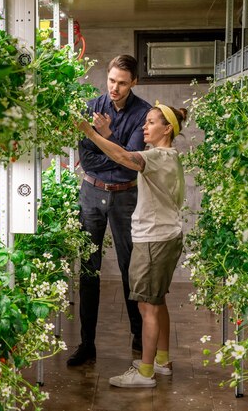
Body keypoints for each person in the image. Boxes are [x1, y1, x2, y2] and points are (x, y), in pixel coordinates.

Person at [78, 103, 186, 388]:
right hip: (164, 235)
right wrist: (107, 135)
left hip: (153, 240)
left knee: (146, 306)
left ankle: (146, 372)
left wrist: (89, 132)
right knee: (157, 300)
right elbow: (123, 155)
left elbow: (124, 157)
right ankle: (161, 359)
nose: (144, 127)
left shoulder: (158, 157)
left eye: (151, 123)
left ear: (167, 129)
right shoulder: (167, 156)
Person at [67, 55, 150, 367]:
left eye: (123, 83)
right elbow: (88, 160)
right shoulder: (90, 108)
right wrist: (116, 151)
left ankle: (139, 337)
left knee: (132, 268)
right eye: (112, 80)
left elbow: (131, 164)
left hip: (125, 196)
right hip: (91, 193)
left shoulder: (143, 113)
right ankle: (87, 344)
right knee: (89, 269)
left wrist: (105, 138)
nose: (115, 88)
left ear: (134, 83)